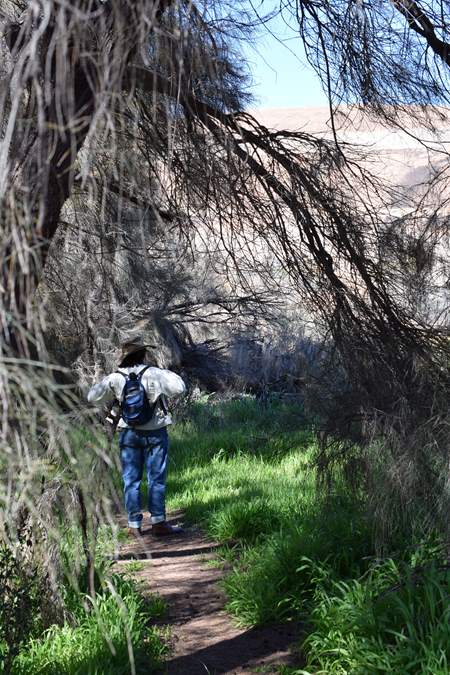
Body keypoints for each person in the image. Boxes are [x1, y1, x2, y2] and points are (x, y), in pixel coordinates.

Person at [87, 337, 186, 537]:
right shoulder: (155, 373)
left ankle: (134, 525)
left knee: (131, 480)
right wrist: (162, 373)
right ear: (143, 354)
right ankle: (158, 523)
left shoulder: (115, 377)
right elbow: (179, 388)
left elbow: (92, 397)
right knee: (156, 478)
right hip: (156, 432)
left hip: (128, 433)